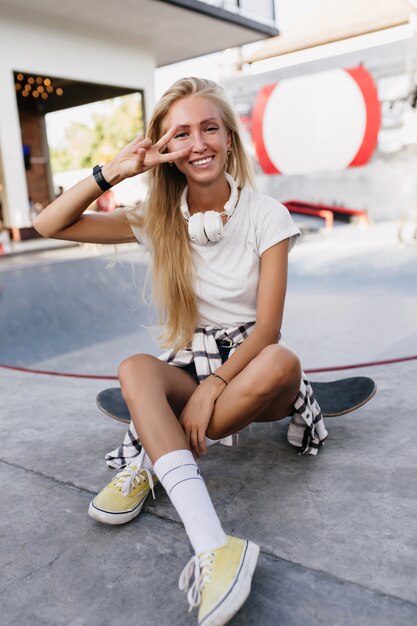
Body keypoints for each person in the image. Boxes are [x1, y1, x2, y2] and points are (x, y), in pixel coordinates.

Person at [34, 77, 327, 626]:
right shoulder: (157, 221)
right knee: (134, 370)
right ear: (167, 153)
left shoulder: (267, 215)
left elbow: (268, 330)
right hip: (193, 362)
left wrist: (211, 389)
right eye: (181, 134)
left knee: (284, 363)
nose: (198, 144)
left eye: (209, 128)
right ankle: (214, 545)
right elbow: (48, 223)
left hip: (254, 365)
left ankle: (154, 452)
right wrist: (115, 172)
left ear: (230, 140)